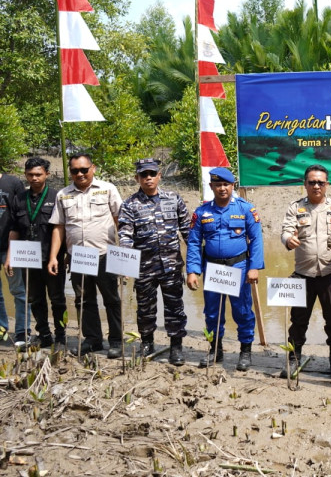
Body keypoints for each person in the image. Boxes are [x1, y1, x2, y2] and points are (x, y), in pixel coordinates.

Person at [186, 167, 264, 371]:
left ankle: (245, 351)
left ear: (233, 186)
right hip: (212, 268)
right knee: (213, 312)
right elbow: (194, 242)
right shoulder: (202, 212)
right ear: (211, 186)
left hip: (238, 267)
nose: (222, 188)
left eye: (226, 185)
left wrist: (254, 267)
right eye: (218, 185)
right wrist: (192, 270)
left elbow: (256, 239)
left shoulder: (245, 209)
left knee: (243, 311)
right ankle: (215, 349)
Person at [48, 153, 123, 357]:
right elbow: (59, 228)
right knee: (83, 300)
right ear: (70, 172)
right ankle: (92, 340)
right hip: (78, 257)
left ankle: (116, 341)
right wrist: (54, 256)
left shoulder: (108, 189)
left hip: (104, 254)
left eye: (84, 170)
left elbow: (120, 221)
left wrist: (125, 251)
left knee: (112, 299)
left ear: (93, 168)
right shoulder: (63, 194)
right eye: (74, 171)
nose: (79, 174)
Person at [117, 159, 191, 366]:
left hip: (171, 266)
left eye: (152, 173)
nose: (148, 178)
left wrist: (195, 262)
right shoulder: (130, 204)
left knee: (175, 307)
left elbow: (187, 231)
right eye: (143, 175)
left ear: (159, 175)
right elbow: (125, 236)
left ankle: (176, 346)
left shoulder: (173, 199)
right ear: (137, 178)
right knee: (145, 308)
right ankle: (147, 342)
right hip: (144, 267)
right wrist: (124, 263)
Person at [280, 164, 331, 381]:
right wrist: (289, 240)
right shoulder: (295, 207)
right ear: (305, 184)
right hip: (303, 274)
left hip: (330, 274)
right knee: (298, 322)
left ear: (327, 184)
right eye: (312, 182)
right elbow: (286, 231)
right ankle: (293, 359)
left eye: (320, 182)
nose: (316, 186)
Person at [5, 158, 64, 348]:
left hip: (51, 258)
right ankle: (44, 334)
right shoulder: (19, 199)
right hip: (28, 259)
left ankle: (61, 335)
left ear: (46, 174)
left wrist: (61, 255)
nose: (34, 178)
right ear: (25, 175)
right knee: (35, 299)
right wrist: (10, 257)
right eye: (30, 175)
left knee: (57, 298)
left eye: (38, 174)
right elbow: (14, 229)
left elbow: (61, 228)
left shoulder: (56, 197)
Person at [0, 167, 26, 346]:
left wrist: (13, 250)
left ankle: (22, 332)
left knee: (19, 291)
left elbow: (21, 217)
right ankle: (2, 329)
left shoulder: (13, 183)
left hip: (10, 246)